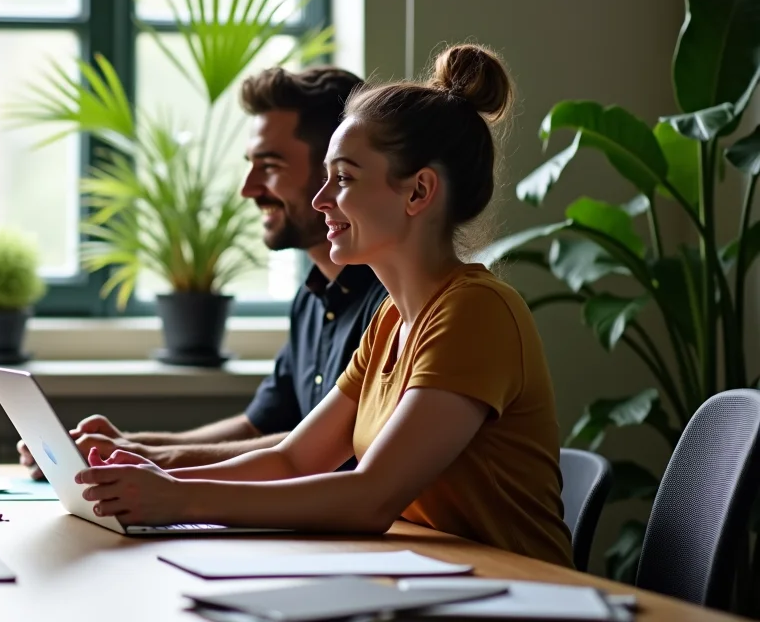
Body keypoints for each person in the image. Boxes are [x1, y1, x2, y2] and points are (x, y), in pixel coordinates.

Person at [74, 44, 574, 568]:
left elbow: (368, 498)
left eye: (344, 179)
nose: (320, 200)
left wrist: (178, 499)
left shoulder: (475, 313)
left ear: (418, 191)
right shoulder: (390, 322)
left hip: (521, 595)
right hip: (432, 582)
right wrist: (156, 482)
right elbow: (292, 459)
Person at [18, 66, 387, 477]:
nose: (248, 188)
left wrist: (152, 461)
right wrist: (128, 446)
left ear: (335, 171)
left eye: (269, 165)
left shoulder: (390, 303)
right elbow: (261, 427)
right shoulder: (313, 297)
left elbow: (320, 451)